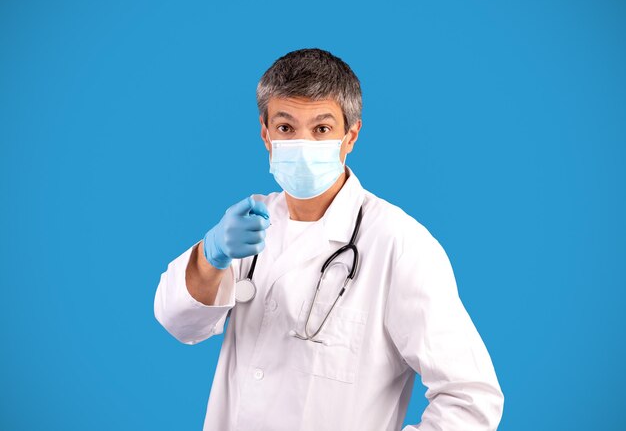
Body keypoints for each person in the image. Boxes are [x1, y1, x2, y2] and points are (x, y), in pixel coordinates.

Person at [154, 48, 504, 431]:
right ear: (265, 134)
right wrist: (212, 253)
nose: (302, 144)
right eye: (286, 128)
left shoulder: (399, 243)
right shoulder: (248, 225)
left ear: (350, 135)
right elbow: (179, 323)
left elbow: (471, 399)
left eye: (321, 129)